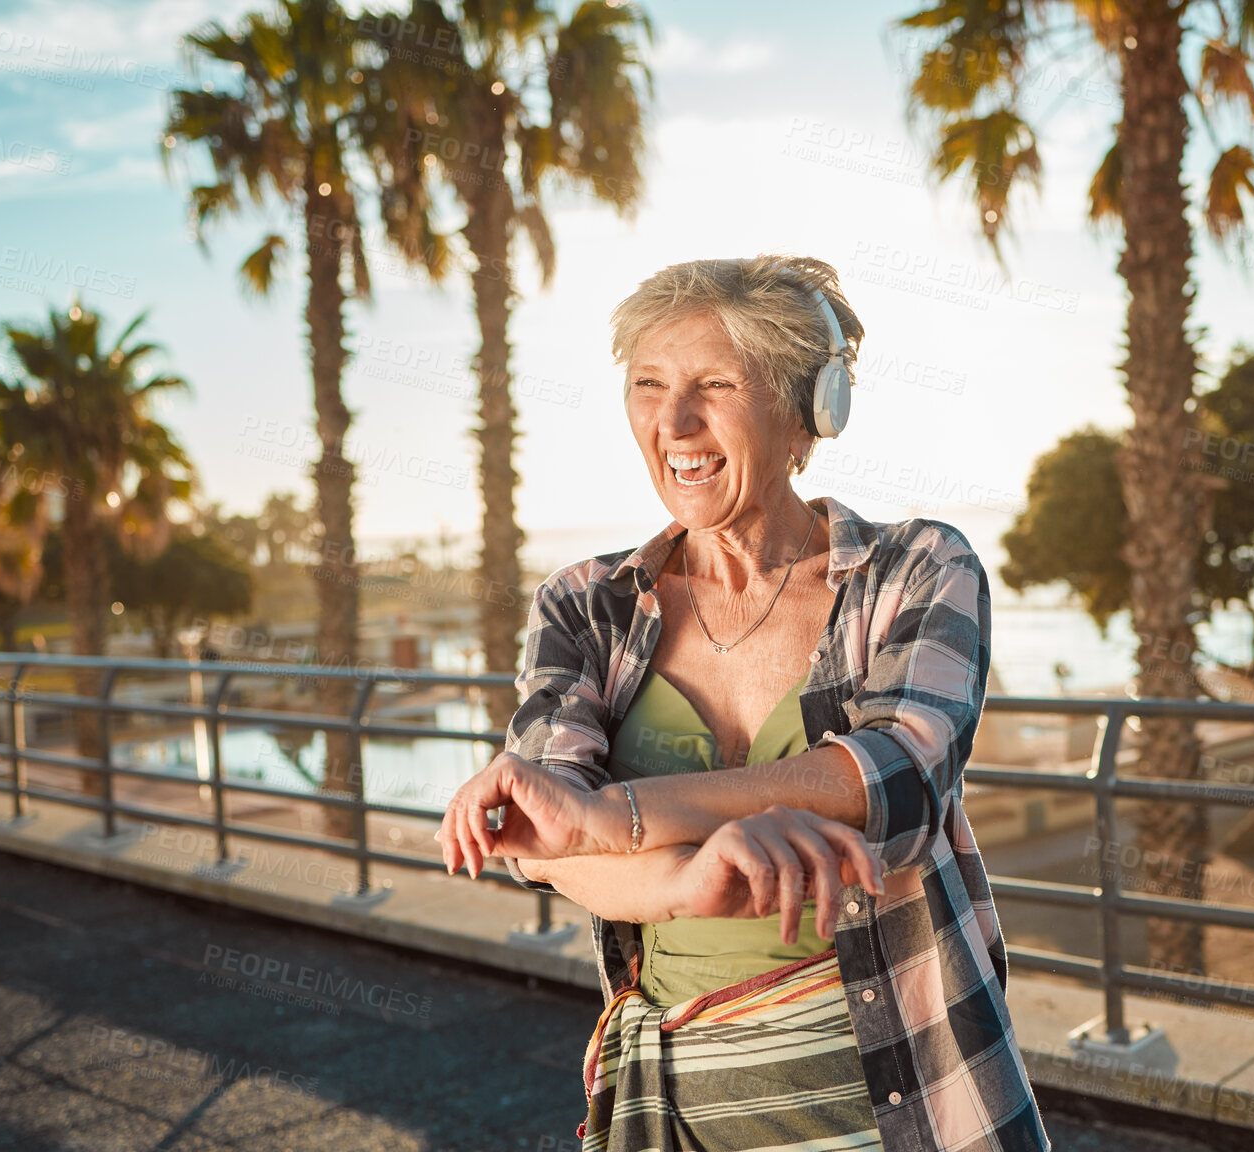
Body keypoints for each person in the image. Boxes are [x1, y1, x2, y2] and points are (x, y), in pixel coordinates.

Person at [436, 254, 1050, 1152]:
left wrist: (620, 812)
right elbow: (546, 844)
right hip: (673, 1104)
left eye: (714, 383)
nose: (673, 421)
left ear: (808, 412)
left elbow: (898, 779)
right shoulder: (585, 604)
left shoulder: (915, 568)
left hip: (903, 1086)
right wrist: (687, 879)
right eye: (648, 384)